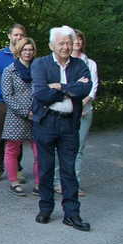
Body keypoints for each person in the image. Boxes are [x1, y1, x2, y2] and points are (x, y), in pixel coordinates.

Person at [31, 26, 91, 231]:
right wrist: (71, 88)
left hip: (69, 124)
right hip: (46, 122)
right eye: (61, 43)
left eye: (69, 43)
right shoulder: (40, 64)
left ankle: (72, 214)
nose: (66, 47)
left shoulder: (80, 64)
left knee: (68, 170)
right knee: (45, 167)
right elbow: (41, 94)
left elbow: (85, 89)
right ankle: (45, 208)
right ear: (51, 45)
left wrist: (58, 86)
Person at [53, 29, 98, 196]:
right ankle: (57, 181)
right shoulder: (61, 62)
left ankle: (73, 184)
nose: (77, 42)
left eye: (79, 39)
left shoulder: (90, 64)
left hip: (85, 110)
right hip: (64, 110)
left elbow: (91, 88)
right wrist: (74, 94)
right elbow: (60, 87)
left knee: (78, 148)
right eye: (74, 39)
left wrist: (80, 105)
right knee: (59, 147)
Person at [0, 37, 39, 197]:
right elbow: (7, 96)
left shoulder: (38, 69)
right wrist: (25, 112)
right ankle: (14, 182)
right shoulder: (10, 70)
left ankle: (39, 183)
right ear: (19, 51)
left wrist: (36, 111)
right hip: (16, 116)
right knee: (12, 149)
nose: (28, 52)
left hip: (37, 115)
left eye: (30, 49)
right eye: (24, 49)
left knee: (40, 151)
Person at [0, 24, 27, 182]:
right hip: (1, 101)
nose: (18, 38)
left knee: (17, 137)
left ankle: (16, 169)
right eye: (16, 35)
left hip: (19, 104)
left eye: (21, 35)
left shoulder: (27, 56)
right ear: (9, 36)